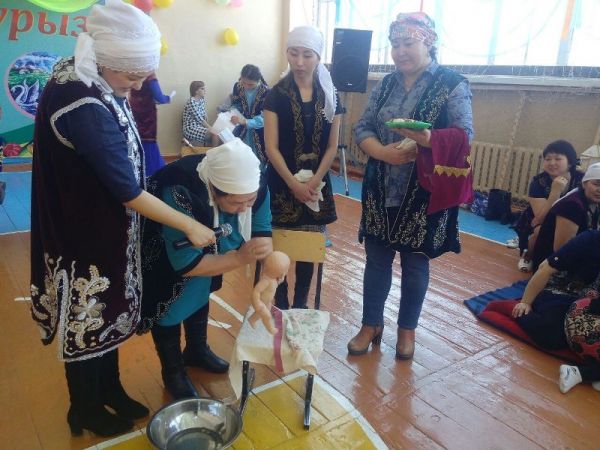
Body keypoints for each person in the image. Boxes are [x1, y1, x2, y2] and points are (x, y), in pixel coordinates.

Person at [29, 0, 215, 437]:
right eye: (132, 77)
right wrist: (189, 224)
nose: (137, 87)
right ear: (107, 59)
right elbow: (128, 191)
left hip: (105, 227)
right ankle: (84, 408)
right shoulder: (82, 104)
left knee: (108, 312)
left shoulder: (90, 73)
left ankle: (109, 388)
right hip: (83, 233)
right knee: (89, 315)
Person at [349, 12, 474, 360]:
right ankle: (370, 324)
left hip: (423, 191)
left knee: (415, 264)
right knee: (376, 259)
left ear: (428, 43)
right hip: (380, 185)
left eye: (408, 43)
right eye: (395, 44)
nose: (400, 51)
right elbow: (362, 127)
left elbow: (465, 136)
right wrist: (382, 153)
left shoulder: (452, 84)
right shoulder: (386, 84)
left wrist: (428, 138)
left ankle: (407, 330)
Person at [138, 138, 273, 400]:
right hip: (166, 251)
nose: (245, 208)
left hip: (209, 241)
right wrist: (240, 258)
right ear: (214, 189)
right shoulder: (179, 190)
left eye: (250, 199)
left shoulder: (255, 181)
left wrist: (264, 248)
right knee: (170, 305)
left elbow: (261, 226)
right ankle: (173, 372)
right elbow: (187, 264)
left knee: (200, 291)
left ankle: (196, 350)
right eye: (236, 204)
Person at [263, 26, 342, 310]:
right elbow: (271, 147)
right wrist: (294, 184)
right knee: (280, 248)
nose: (299, 62)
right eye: (293, 53)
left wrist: (313, 182)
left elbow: (332, 147)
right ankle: (281, 303)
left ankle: (301, 305)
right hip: (281, 182)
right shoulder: (275, 95)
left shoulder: (330, 95)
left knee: (308, 248)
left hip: (316, 186)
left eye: (307, 55)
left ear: (318, 57)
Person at [510, 231, 600, 392]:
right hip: (563, 292)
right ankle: (515, 310)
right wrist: (525, 302)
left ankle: (589, 373)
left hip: (588, 303)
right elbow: (545, 268)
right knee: (552, 335)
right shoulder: (590, 239)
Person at [511, 140, 583, 272]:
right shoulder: (539, 182)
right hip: (542, 219)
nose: (552, 163)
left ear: (570, 162)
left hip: (571, 218)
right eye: (548, 159)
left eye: (558, 159)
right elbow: (540, 218)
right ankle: (528, 255)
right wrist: (555, 192)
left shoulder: (581, 179)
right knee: (540, 231)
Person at [530, 162, 600, 271]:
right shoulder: (572, 205)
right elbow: (561, 251)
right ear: (584, 184)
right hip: (552, 269)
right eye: (596, 184)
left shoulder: (594, 202)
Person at [129, 73, 175, 177]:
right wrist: (168, 98)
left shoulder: (133, 71)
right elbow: (159, 97)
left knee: (138, 142)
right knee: (149, 144)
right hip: (146, 116)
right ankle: (151, 175)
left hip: (134, 111)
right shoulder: (149, 74)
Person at [227, 64, 270, 169]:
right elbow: (236, 103)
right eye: (243, 82)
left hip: (259, 132)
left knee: (257, 163)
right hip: (241, 129)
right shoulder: (238, 86)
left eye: (250, 84)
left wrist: (245, 122)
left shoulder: (267, 92)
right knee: (239, 159)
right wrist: (232, 111)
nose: (246, 86)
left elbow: (266, 118)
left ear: (258, 81)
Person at [249, 250, 291, 334]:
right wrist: (257, 302)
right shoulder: (266, 280)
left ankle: (252, 319)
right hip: (260, 302)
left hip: (266, 302)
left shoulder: (273, 279)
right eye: (286, 270)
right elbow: (256, 291)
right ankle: (271, 329)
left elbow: (275, 285)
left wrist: (280, 280)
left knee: (261, 313)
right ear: (282, 273)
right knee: (267, 316)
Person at [182, 80, 215, 147]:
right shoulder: (191, 102)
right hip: (190, 128)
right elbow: (200, 119)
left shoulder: (201, 100)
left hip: (199, 127)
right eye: (202, 89)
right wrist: (211, 128)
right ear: (196, 91)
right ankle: (213, 152)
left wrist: (210, 126)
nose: (205, 90)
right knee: (214, 133)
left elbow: (204, 116)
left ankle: (211, 151)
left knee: (217, 134)